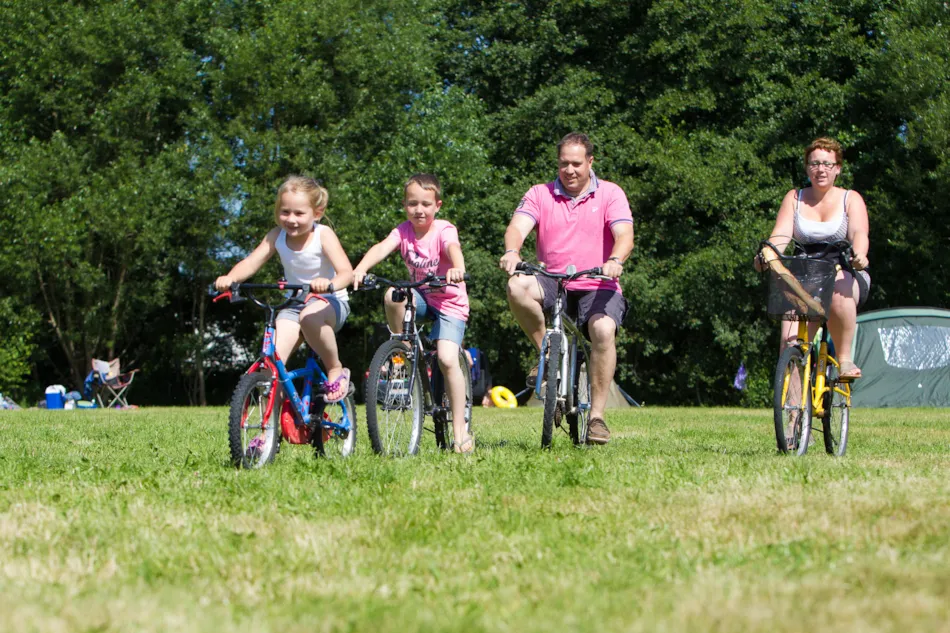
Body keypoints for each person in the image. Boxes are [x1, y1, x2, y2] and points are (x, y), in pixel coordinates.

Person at [499, 133, 634, 445]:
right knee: (517, 286)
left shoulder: (611, 194)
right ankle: (547, 351)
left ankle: (597, 417)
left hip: (598, 282)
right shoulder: (539, 194)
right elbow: (517, 228)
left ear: (590, 162)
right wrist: (512, 253)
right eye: (563, 164)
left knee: (602, 330)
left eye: (576, 163)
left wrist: (615, 259)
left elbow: (624, 234)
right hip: (553, 280)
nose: (570, 170)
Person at [352, 174, 474, 454]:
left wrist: (457, 267)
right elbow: (382, 247)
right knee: (392, 295)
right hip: (421, 295)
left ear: (437, 206)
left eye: (426, 204)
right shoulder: (403, 231)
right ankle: (403, 349)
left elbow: (452, 248)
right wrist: (361, 268)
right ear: (405, 206)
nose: (419, 210)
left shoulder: (443, 229)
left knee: (446, 358)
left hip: (449, 302)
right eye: (412, 204)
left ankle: (460, 431)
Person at [214, 176, 354, 401]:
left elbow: (346, 272)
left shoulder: (323, 234)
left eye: (299, 213)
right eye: (285, 212)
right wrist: (231, 278)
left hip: (330, 302)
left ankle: (335, 369)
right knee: (271, 362)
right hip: (294, 305)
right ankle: (270, 429)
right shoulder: (275, 236)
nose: (291, 219)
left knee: (309, 317)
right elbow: (251, 262)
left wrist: (328, 285)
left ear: (316, 213)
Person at [756, 137, 870, 379]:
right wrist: (767, 254)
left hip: (844, 272)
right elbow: (781, 235)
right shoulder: (794, 198)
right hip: (804, 276)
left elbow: (859, 232)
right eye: (815, 163)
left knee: (840, 290)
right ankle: (793, 413)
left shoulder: (851, 198)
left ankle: (845, 360)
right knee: (790, 342)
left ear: (838, 168)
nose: (821, 169)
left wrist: (860, 254)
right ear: (807, 167)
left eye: (828, 164)